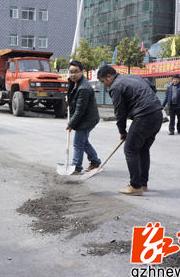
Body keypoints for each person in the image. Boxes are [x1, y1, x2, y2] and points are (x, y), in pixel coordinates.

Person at [97, 65, 163, 196]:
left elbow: (119, 113)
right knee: (143, 149)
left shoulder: (115, 87)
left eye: (103, 81)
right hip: (157, 114)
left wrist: (122, 131)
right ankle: (143, 184)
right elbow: (153, 88)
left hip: (144, 116)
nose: (104, 85)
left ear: (109, 77)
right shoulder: (132, 76)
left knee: (130, 149)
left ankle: (135, 186)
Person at [65, 60, 101, 174]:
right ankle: (95, 161)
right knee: (83, 141)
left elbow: (80, 110)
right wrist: (68, 99)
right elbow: (72, 95)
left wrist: (71, 124)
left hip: (87, 119)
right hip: (83, 118)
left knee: (78, 142)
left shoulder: (84, 88)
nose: (73, 74)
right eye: (71, 72)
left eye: (76, 72)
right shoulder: (73, 82)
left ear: (82, 72)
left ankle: (76, 166)